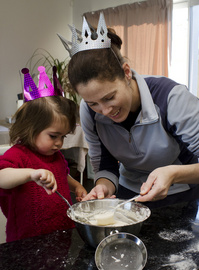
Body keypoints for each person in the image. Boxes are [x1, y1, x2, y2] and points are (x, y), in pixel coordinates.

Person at [59, 12, 199, 205]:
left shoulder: (171, 97)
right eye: (93, 103)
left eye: (109, 97)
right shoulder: (88, 111)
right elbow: (105, 165)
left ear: (126, 72)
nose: (105, 111)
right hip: (128, 193)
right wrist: (103, 186)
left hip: (181, 195)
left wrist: (173, 173)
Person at [0, 94, 87, 242]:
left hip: (61, 231)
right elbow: (2, 177)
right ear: (30, 128)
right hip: (27, 239)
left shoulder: (55, 155)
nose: (59, 143)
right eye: (53, 136)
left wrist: (76, 186)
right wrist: (30, 174)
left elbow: (62, 175)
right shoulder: (18, 154)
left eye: (63, 137)